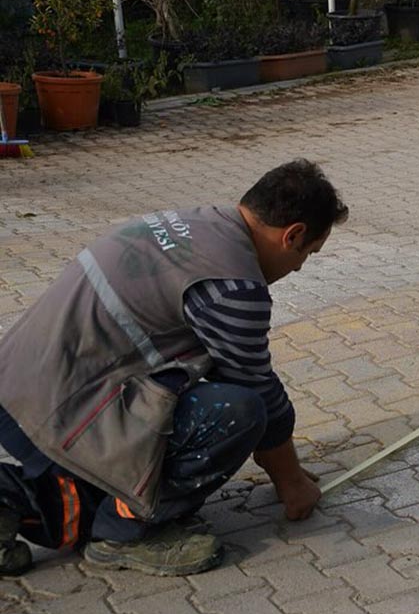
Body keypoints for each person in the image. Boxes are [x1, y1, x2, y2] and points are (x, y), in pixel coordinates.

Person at [0, 159, 346, 577]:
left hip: (18, 392)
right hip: (55, 417)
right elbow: (258, 388)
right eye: (307, 253)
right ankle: (123, 531)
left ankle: (35, 499)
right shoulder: (233, 284)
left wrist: (282, 464)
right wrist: (291, 483)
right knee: (236, 412)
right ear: (292, 235)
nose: (300, 267)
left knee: (199, 402)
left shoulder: (196, 224)